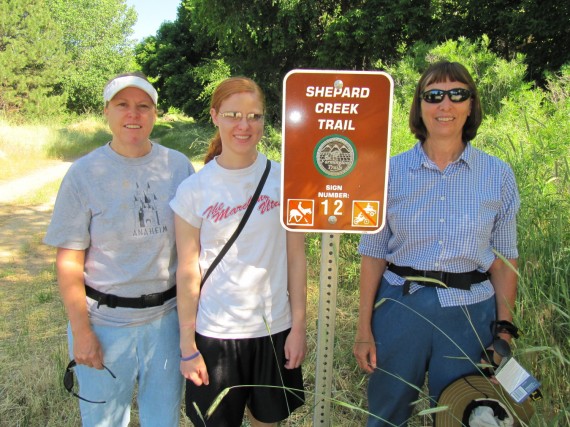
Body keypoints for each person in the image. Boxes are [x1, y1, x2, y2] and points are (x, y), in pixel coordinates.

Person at [353, 61, 520, 426]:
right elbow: (373, 254)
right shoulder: (387, 172)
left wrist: (503, 331)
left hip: (470, 314)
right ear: (419, 106)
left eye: (457, 94)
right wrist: (364, 328)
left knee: (462, 414)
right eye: (434, 95)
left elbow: (505, 261)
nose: (445, 105)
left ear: (471, 104)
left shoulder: (498, 175)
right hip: (400, 308)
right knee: (386, 413)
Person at [44, 72, 194, 426]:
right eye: (122, 105)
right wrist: (82, 332)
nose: (133, 114)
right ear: (107, 112)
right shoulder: (84, 174)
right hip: (104, 324)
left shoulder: (178, 167)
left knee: (164, 420)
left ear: (155, 114)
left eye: (143, 106)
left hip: (166, 323)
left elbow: (194, 248)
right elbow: (68, 261)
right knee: (104, 422)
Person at [170, 76, 307, 427]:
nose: (244, 126)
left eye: (255, 116)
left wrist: (298, 327)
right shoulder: (194, 190)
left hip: (273, 328)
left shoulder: (285, 180)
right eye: (233, 115)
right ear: (215, 116)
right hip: (215, 335)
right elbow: (187, 271)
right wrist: (189, 346)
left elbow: (295, 258)